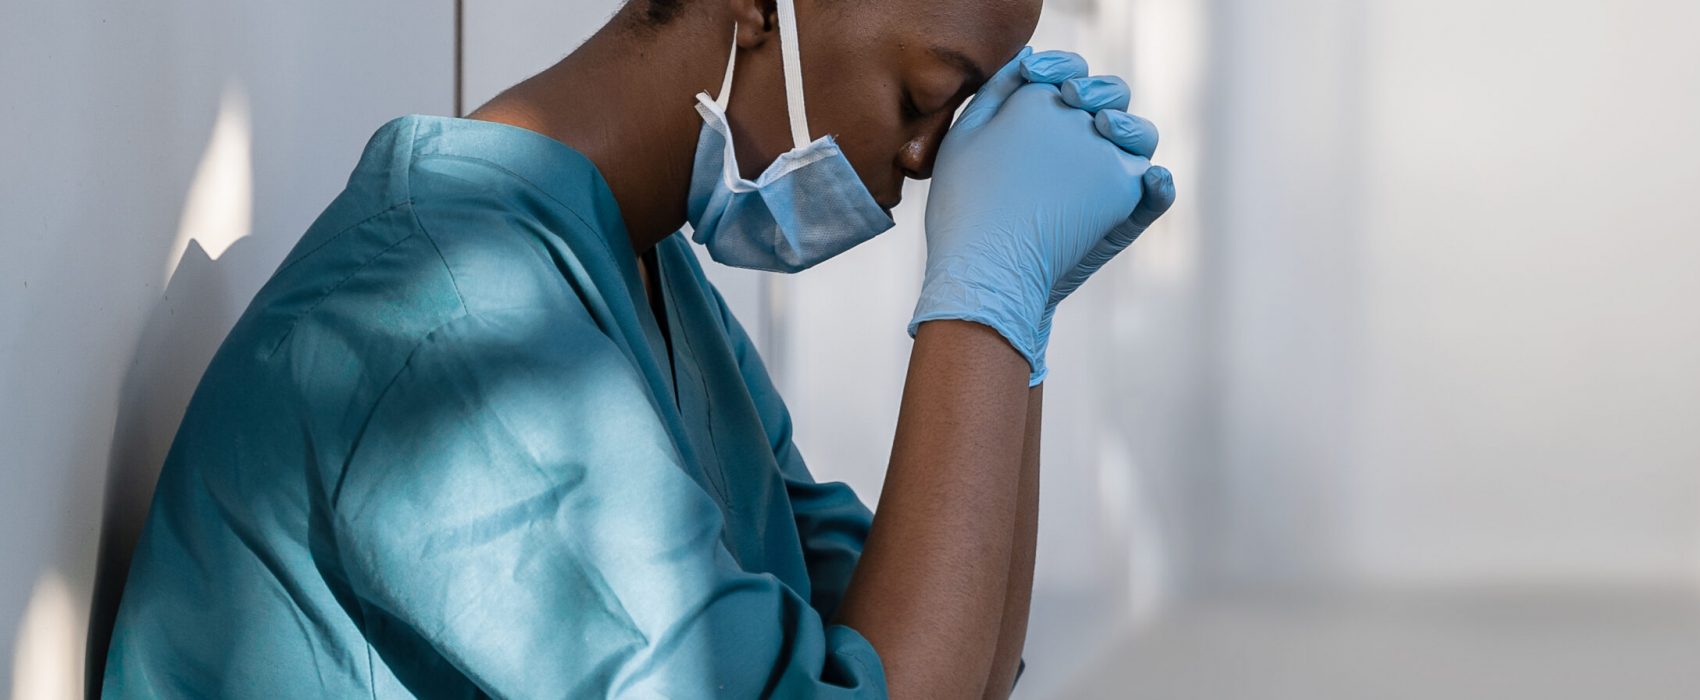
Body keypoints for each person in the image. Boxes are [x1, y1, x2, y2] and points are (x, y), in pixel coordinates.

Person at [100, 0, 1172, 696]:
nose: (932, 159)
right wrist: (985, 295)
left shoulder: (650, 284)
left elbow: (946, 664)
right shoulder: (447, 327)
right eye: (928, 98)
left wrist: (1019, 322)